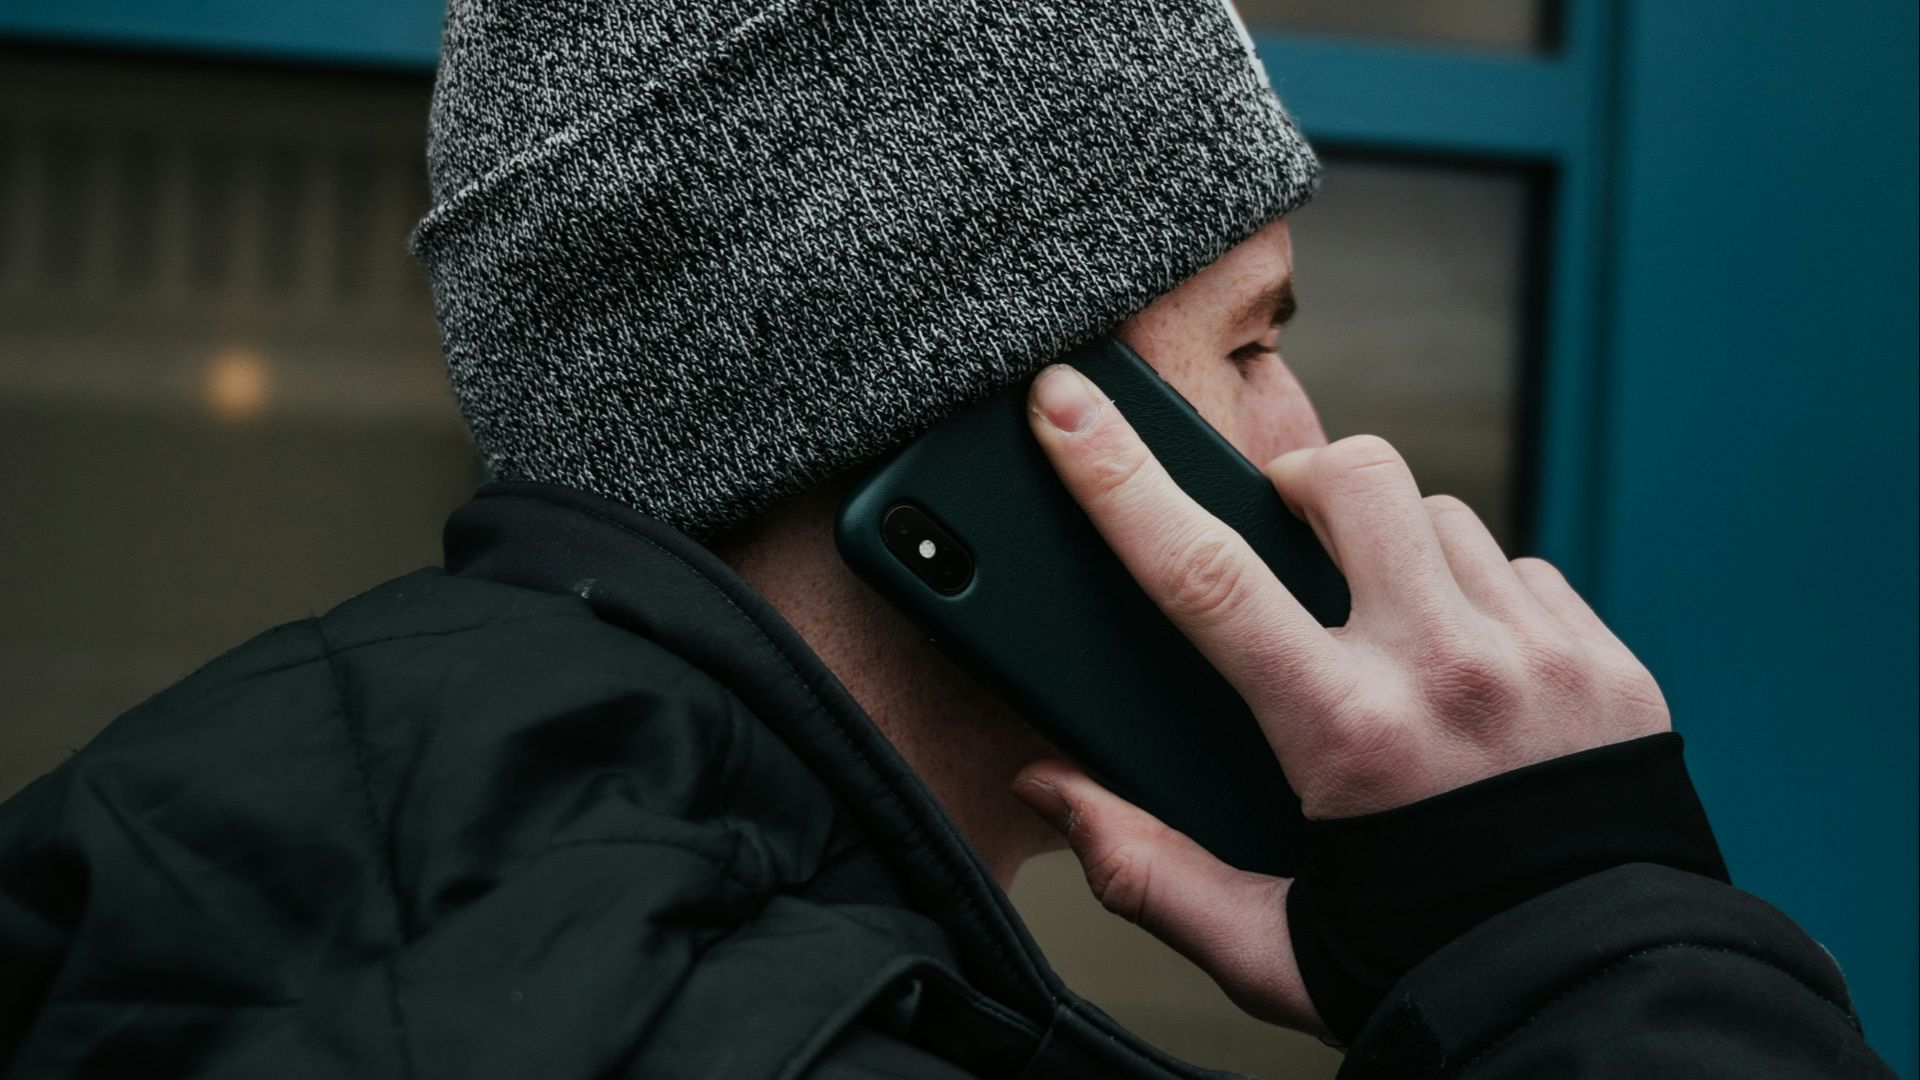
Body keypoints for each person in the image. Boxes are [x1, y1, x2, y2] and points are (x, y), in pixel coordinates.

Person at [0, 2, 1896, 1077]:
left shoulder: (263, 873)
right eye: (1251, 344)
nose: (1317, 454)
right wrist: (1592, 940)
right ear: (989, 448)